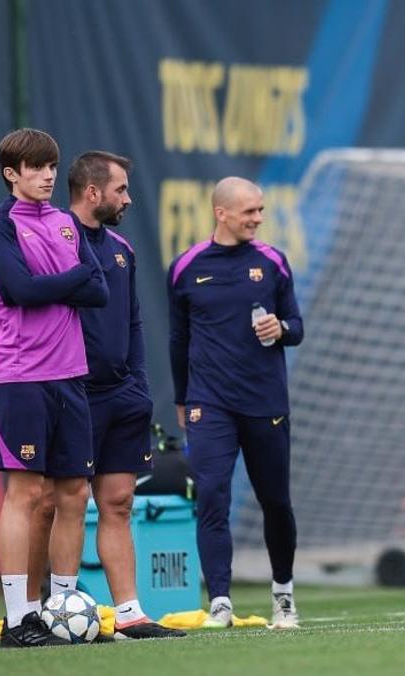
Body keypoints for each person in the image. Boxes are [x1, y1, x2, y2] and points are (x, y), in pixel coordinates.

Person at [26, 151, 184, 639]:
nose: (128, 199)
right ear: (92, 192)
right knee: (58, 502)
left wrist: (138, 384)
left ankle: (130, 614)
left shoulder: (121, 249)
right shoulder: (53, 239)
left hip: (122, 395)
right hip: (71, 392)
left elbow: (133, 320)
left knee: (118, 502)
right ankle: (45, 612)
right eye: (120, 190)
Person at [0, 128, 109, 647]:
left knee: (75, 493)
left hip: (71, 375)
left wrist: (53, 284)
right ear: (12, 173)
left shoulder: (66, 223)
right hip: (22, 377)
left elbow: (98, 291)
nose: (48, 175)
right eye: (36, 167)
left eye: (52, 166)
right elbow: (20, 290)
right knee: (26, 494)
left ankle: (60, 610)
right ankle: (18, 620)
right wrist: (69, 280)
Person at [168, 177, 304, 630]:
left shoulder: (272, 261)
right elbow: (178, 339)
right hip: (209, 403)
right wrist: (182, 397)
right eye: (249, 211)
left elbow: (297, 325)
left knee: (275, 502)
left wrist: (281, 329)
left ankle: (283, 595)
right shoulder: (186, 267)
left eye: (260, 210)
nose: (258, 218)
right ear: (221, 212)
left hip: (265, 401)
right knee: (211, 496)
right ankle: (220, 603)